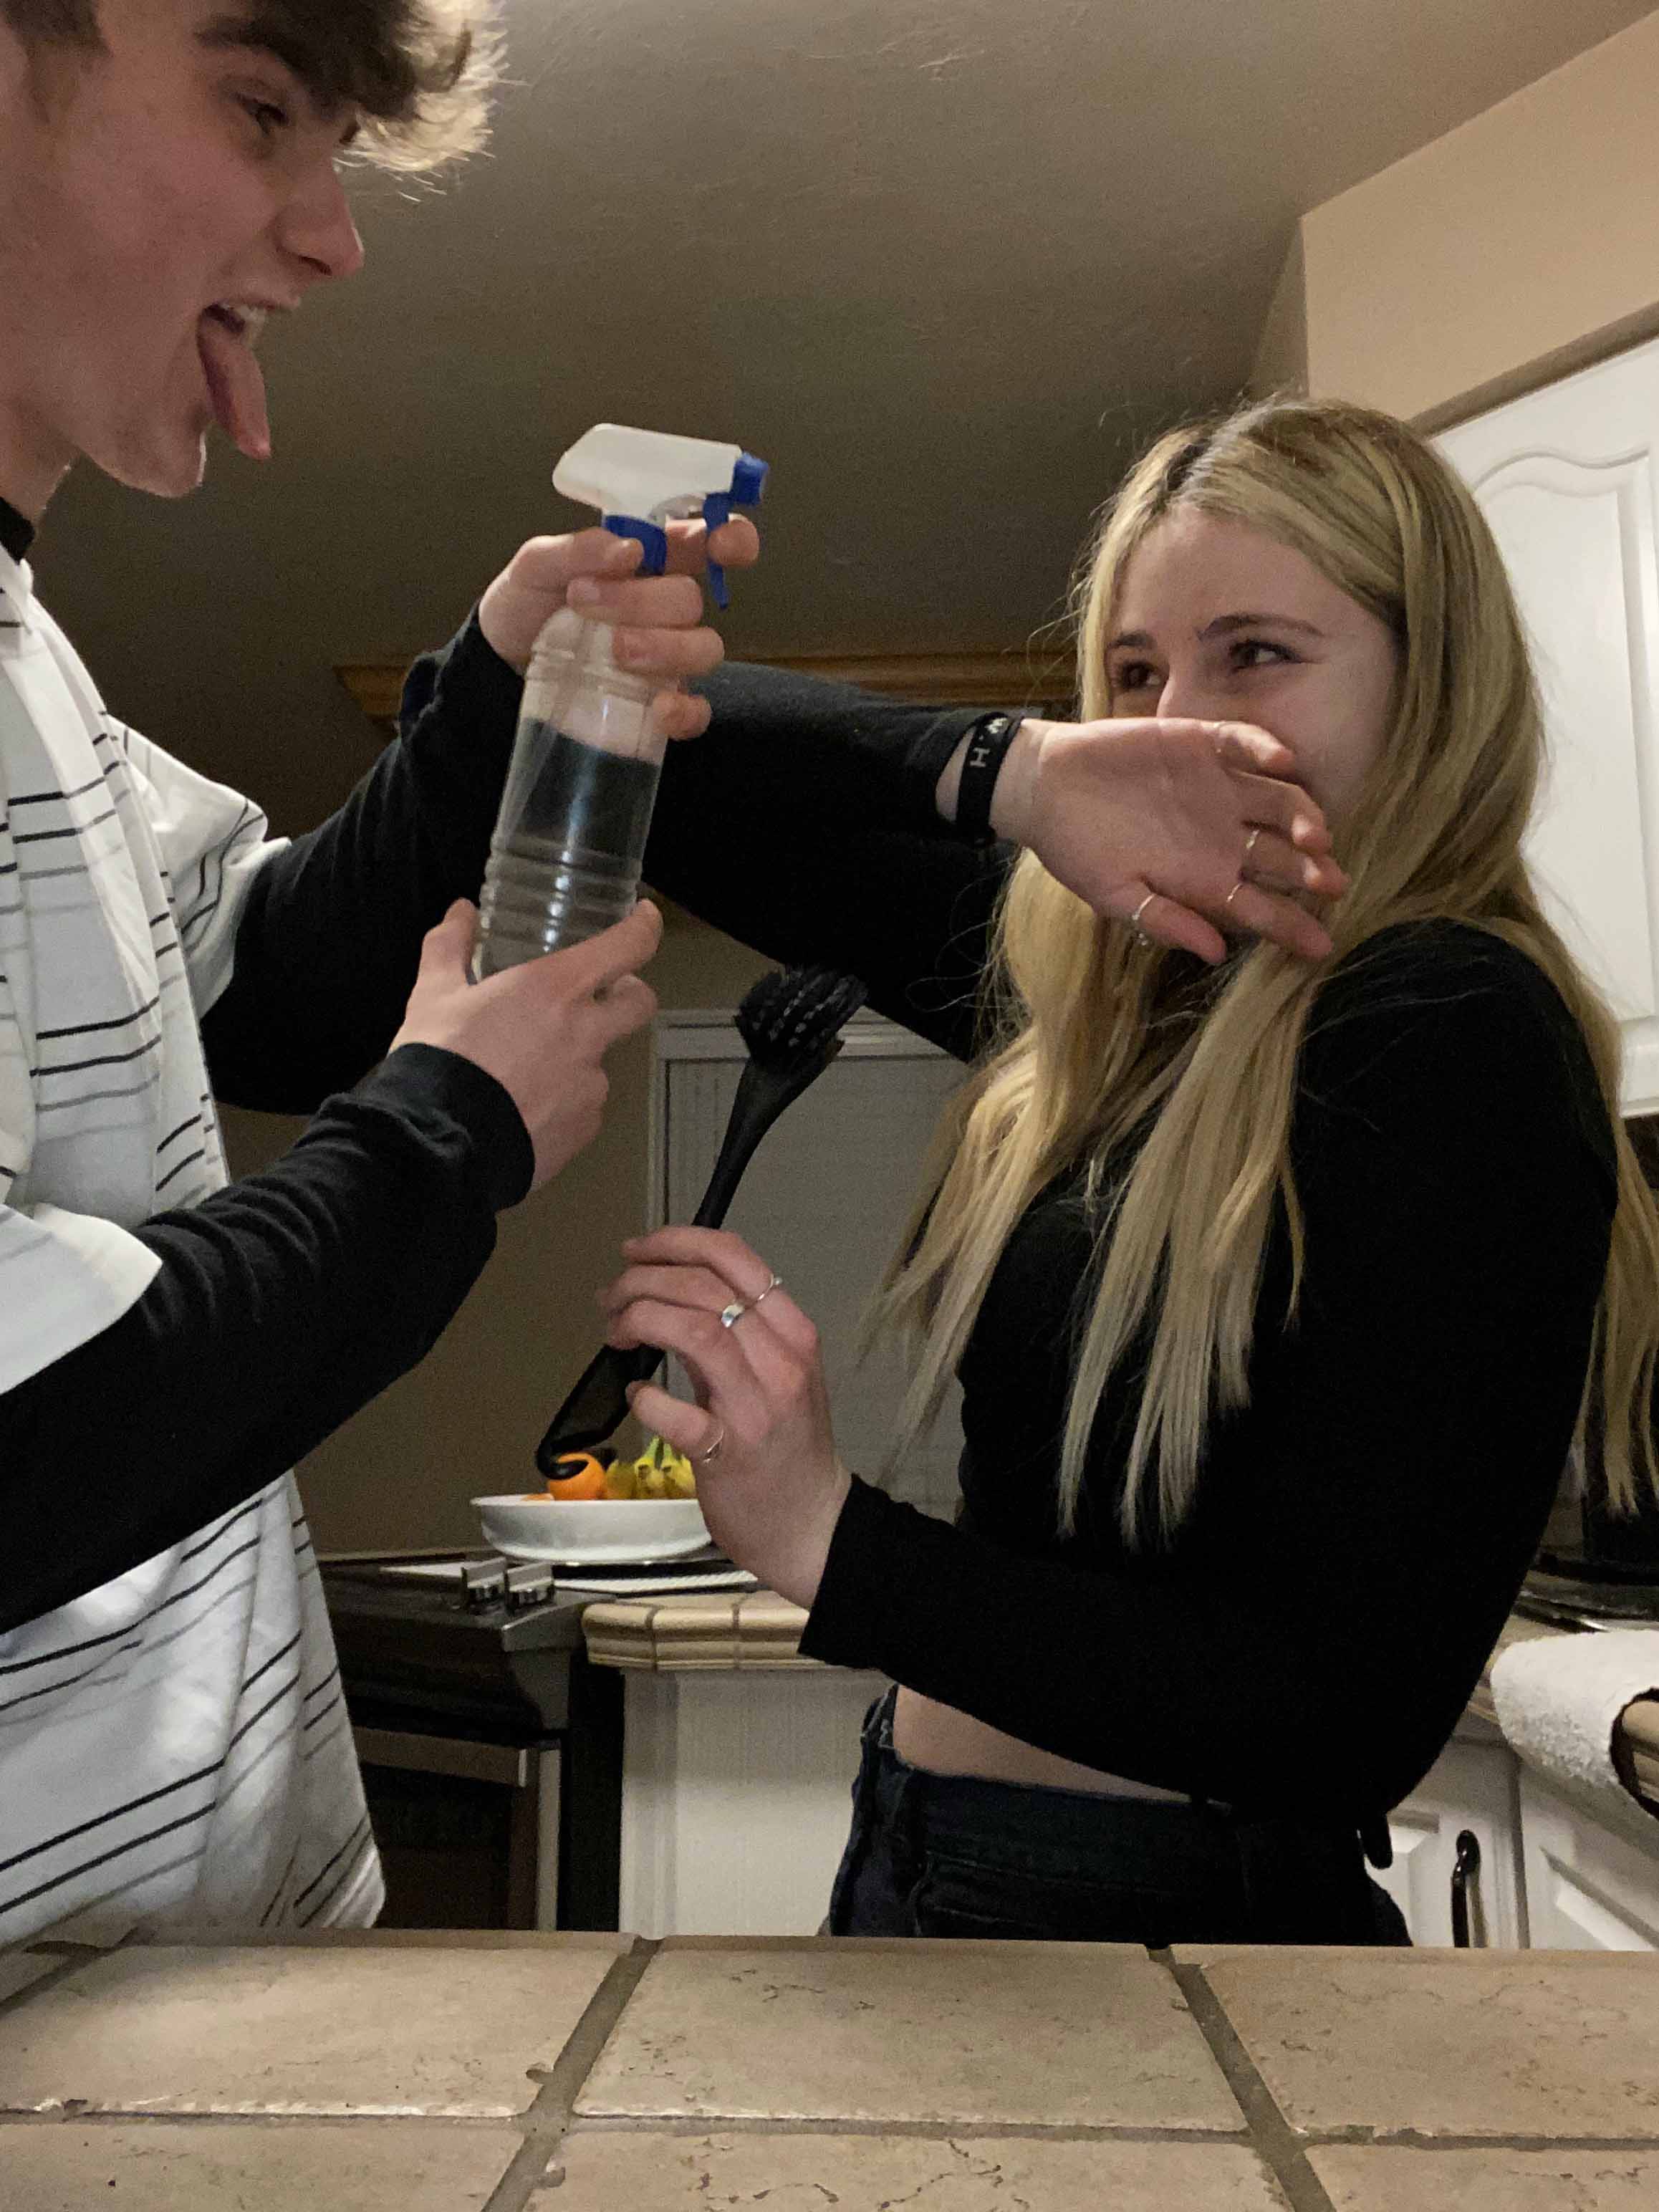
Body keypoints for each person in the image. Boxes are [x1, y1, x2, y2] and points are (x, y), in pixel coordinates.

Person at [592, 395, 1659, 1944]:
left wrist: (833, 1536)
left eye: (1258, 653)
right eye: (1137, 674)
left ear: (1431, 683)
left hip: (1159, 1918)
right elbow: (636, 753)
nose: (1177, 723)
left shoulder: (1447, 1026)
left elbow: (1342, 1712)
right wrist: (1009, 768)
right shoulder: (1124, 1000)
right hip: (942, 1851)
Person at [0, 0, 762, 1946]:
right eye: (259, 109)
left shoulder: (25, 660)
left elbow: (266, 982)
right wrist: (444, 1139)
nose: (333, 238)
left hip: (168, 1988)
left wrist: (499, 685)